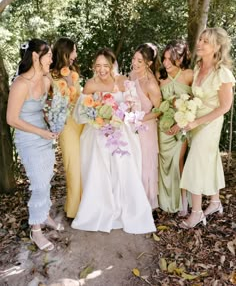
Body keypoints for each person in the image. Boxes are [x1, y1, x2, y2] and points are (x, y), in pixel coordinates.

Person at [71, 48, 156, 233]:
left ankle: (126, 208)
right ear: (94, 66)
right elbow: (80, 113)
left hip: (120, 131)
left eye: (106, 66)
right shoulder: (90, 85)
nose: (102, 70)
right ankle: (99, 209)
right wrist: (96, 117)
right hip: (98, 133)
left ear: (112, 65)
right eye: (98, 65)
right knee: (98, 170)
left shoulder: (123, 81)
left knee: (123, 169)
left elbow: (134, 107)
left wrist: (121, 114)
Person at [7, 39, 63, 252]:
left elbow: (45, 108)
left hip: (44, 134)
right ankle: (36, 229)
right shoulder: (20, 84)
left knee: (46, 178)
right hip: (29, 139)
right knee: (38, 184)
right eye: (48, 55)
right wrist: (41, 132)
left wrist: (53, 121)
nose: (51, 58)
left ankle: (45, 215)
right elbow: (11, 119)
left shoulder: (46, 80)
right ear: (35, 57)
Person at [179, 27, 235, 229]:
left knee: (194, 162)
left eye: (206, 42)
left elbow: (225, 106)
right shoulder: (197, 68)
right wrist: (186, 112)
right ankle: (215, 202)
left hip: (210, 123)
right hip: (195, 121)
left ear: (217, 47)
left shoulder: (223, 73)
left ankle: (196, 213)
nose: (200, 44)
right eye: (200, 39)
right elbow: (196, 97)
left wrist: (196, 122)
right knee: (209, 160)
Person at [157, 40, 193, 215]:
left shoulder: (189, 75)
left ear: (181, 58)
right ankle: (165, 200)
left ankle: (183, 202)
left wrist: (181, 125)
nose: (166, 63)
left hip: (182, 127)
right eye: (164, 58)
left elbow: (196, 104)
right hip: (163, 128)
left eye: (171, 59)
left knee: (179, 163)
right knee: (164, 165)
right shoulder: (160, 76)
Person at [51, 38, 84, 218]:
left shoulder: (72, 72)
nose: (76, 55)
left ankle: (86, 205)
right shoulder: (50, 76)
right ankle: (73, 210)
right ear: (65, 52)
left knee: (84, 165)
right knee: (72, 166)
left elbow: (79, 98)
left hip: (81, 123)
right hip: (65, 125)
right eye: (74, 51)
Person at [130, 43, 161, 209]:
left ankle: (145, 204)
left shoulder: (151, 84)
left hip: (146, 128)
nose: (135, 63)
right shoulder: (132, 76)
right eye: (134, 58)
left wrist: (139, 118)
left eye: (140, 61)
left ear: (148, 64)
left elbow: (159, 110)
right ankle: (133, 200)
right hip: (130, 125)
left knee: (144, 164)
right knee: (133, 162)